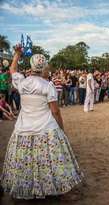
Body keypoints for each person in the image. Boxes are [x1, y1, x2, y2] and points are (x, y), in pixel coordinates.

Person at [1, 49, 83, 199]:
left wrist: (17, 54)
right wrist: (61, 129)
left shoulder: (22, 82)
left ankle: (27, 188)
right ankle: (52, 188)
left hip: (23, 128)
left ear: (31, 66)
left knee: (26, 160)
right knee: (49, 161)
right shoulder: (47, 85)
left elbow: (12, 69)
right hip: (46, 128)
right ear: (44, 67)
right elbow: (55, 111)